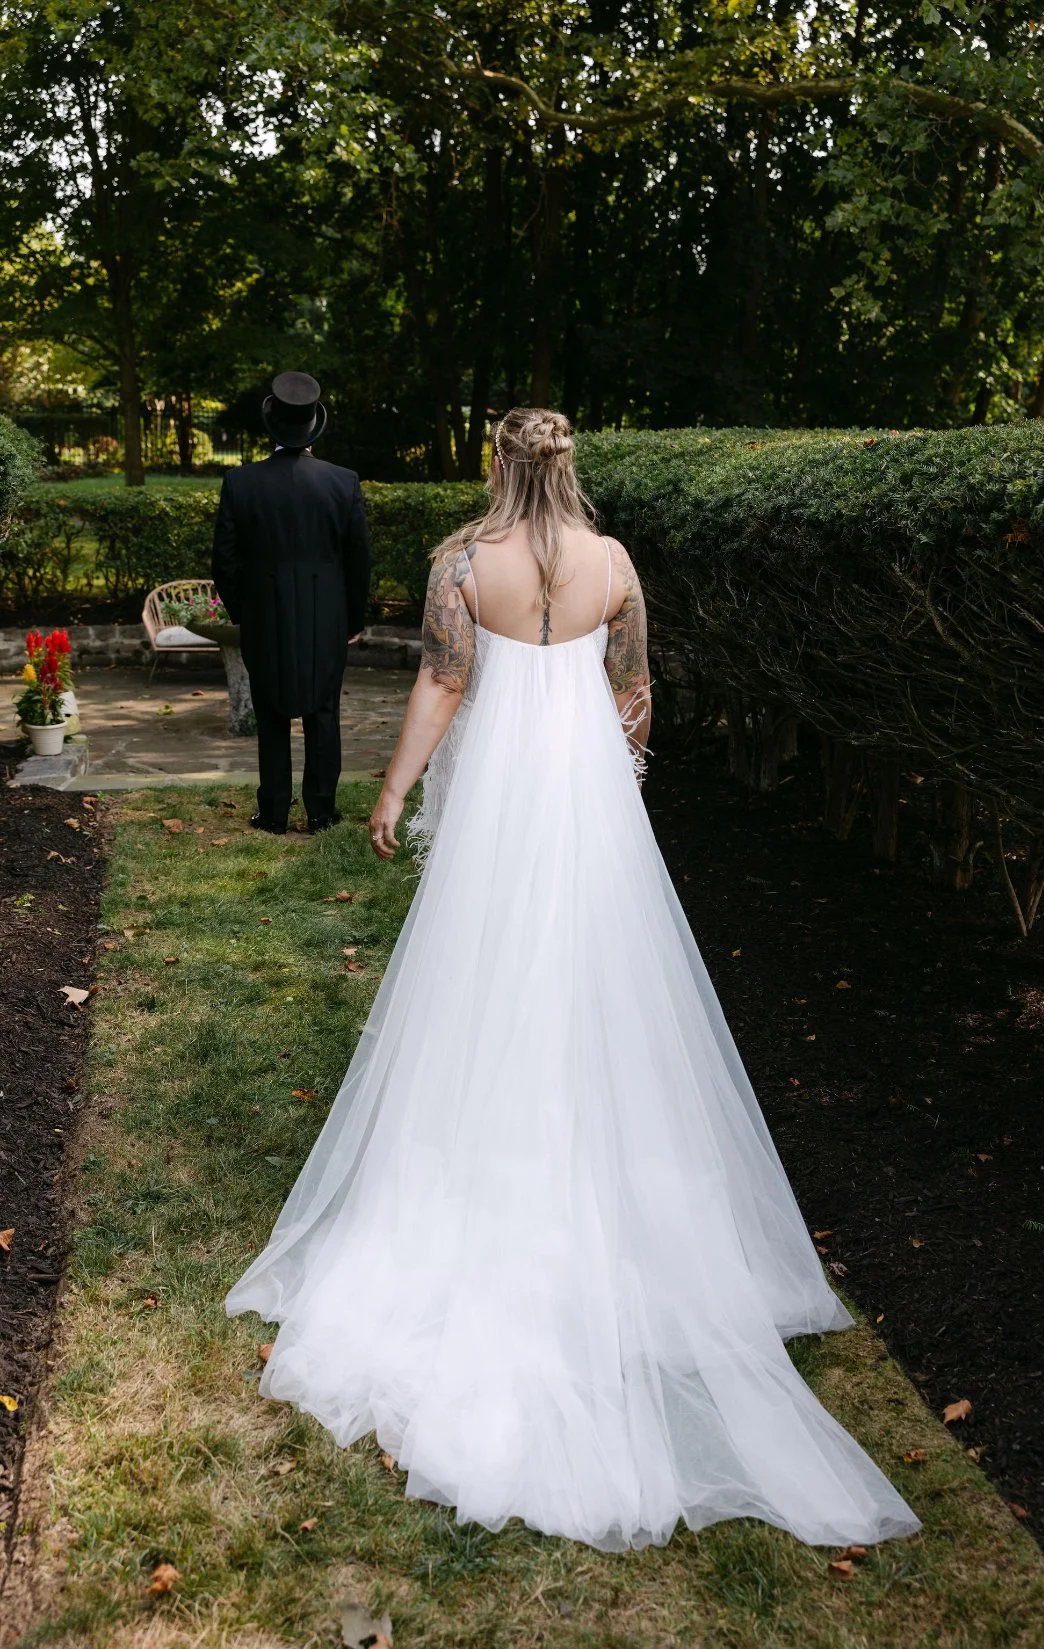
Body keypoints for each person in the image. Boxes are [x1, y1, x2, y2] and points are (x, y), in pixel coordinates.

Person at [225, 408, 920, 1553]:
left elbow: (445, 686)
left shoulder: (461, 563)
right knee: (603, 988)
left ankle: (477, 1159)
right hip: (584, 795)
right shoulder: (613, 563)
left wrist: (394, 790)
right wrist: (610, 777)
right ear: (571, 466)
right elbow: (633, 691)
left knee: (479, 977)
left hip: (503, 793)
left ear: (495, 465)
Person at [212, 371, 371, 834]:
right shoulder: (343, 482)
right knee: (324, 711)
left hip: (264, 616)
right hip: (328, 618)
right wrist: (353, 618)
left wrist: (245, 610)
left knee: (271, 712)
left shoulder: (241, 482)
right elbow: (359, 559)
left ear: (272, 425)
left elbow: (225, 560)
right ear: (314, 427)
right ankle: (321, 811)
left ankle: (274, 812)